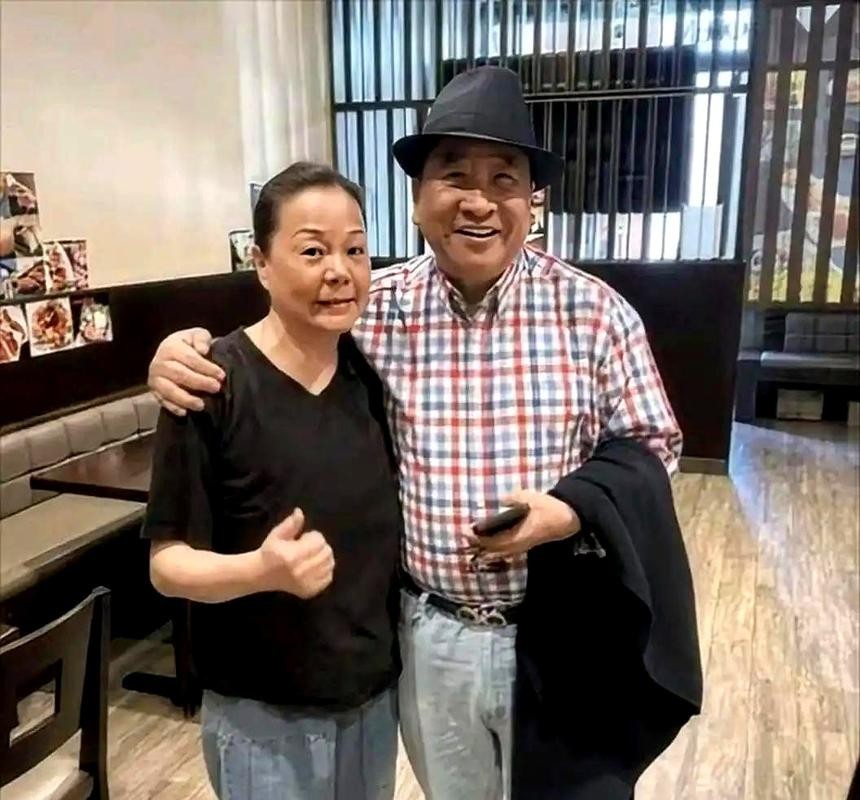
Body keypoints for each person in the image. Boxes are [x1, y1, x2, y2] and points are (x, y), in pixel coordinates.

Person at [147, 67, 687, 799]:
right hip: (429, 637)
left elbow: (654, 447)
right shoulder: (377, 308)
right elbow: (283, 334)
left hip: (559, 630)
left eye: (504, 179)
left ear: (533, 200)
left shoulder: (596, 313)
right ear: (418, 197)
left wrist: (567, 511)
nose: (478, 201)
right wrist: (178, 353)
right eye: (454, 175)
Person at [142, 162, 402, 800]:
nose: (339, 270)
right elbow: (167, 565)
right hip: (263, 717)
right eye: (312, 251)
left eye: (355, 250)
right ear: (260, 262)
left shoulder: (373, 378)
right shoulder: (210, 382)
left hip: (372, 705)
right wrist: (261, 570)